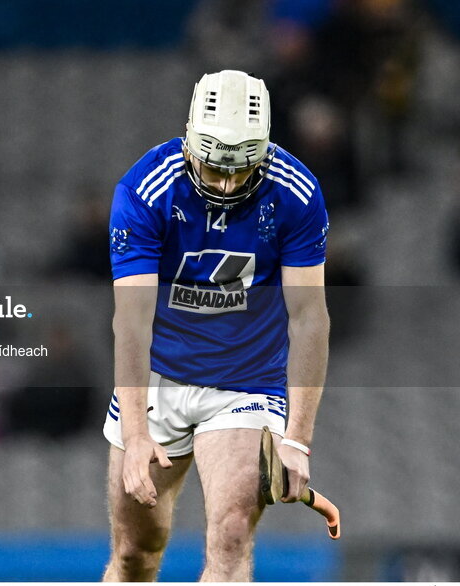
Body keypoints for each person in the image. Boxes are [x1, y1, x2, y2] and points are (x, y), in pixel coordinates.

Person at [102, 70, 330, 581]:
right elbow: (132, 321)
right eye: (214, 169)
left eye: (240, 170)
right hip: (158, 375)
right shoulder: (144, 189)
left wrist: (297, 438)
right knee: (136, 552)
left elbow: (309, 317)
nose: (226, 184)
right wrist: (137, 435)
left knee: (230, 537)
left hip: (245, 380)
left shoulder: (296, 193)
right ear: (190, 143)